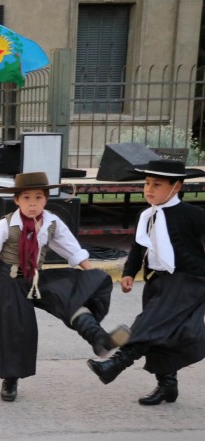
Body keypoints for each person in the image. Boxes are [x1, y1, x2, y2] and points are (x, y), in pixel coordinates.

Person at [0, 172, 130, 402]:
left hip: (35, 277)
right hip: (8, 280)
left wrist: (92, 274)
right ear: (16, 200)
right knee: (19, 329)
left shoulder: (51, 223)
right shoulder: (6, 225)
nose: (32, 203)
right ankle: (10, 379)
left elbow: (72, 251)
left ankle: (99, 340)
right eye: (26, 198)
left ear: (46, 199)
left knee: (69, 296)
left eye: (38, 197)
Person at [87, 160, 205, 406]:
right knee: (161, 333)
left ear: (176, 186)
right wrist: (130, 272)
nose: (149, 189)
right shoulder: (147, 214)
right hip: (156, 280)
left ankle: (116, 363)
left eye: (157, 185)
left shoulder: (193, 215)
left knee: (148, 323)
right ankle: (167, 386)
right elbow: (139, 247)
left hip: (187, 280)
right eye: (147, 183)